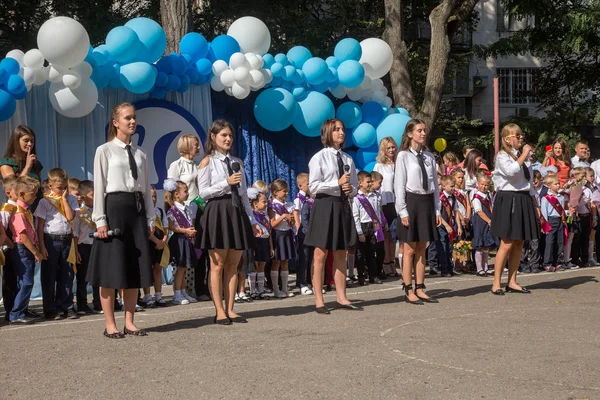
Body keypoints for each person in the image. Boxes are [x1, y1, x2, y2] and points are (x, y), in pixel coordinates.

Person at [86, 102, 155, 338]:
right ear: (115, 122)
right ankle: (109, 324)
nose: (132, 121)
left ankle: (130, 321)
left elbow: (145, 188)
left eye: (134, 117)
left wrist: (150, 217)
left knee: (134, 267)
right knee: (111, 267)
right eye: (127, 118)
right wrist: (100, 219)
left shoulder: (141, 154)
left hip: (136, 210)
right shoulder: (104, 150)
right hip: (114, 207)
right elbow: (99, 186)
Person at [196, 119, 261, 325]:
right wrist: (225, 183)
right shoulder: (207, 161)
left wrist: (252, 220)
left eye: (230, 135)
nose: (228, 139)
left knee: (234, 264)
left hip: (237, 212)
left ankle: (231, 308)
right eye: (223, 135)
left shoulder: (238, 162)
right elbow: (203, 193)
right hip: (217, 211)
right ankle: (219, 310)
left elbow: (243, 194)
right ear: (213, 137)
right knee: (218, 264)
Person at [304, 118, 362, 313]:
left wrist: (349, 188)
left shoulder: (348, 159)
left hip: (342, 205)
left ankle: (341, 297)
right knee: (320, 253)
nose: (341, 132)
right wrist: (335, 183)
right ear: (327, 133)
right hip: (324, 205)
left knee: (341, 252)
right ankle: (319, 300)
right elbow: (313, 187)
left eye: (343, 129)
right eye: (336, 129)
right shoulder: (319, 157)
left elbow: (354, 186)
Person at [394, 119, 441, 304]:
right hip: (411, 202)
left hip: (427, 202)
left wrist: (437, 209)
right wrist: (403, 211)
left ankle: (420, 287)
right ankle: (408, 288)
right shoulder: (403, 156)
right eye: (419, 130)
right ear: (409, 134)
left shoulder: (429, 156)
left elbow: (435, 186)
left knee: (422, 246)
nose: (423, 133)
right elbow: (399, 185)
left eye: (424, 130)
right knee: (409, 248)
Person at [490, 123, 540, 295]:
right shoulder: (502, 156)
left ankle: (512, 280)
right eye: (516, 135)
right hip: (508, 197)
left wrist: (535, 204)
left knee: (519, 241)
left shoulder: (523, 158)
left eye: (521, 135)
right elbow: (511, 172)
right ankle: (496, 282)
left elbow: (529, 182)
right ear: (507, 139)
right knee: (507, 242)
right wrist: (525, 154)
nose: (520, 138)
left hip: (523, 198)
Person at [34, 168, 80, 320]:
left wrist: (65, 199)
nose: (62, 190)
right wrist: (42, 246)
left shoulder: (71, 199)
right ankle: (49, 308)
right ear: (51, 186)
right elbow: (40, 226)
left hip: (67, 239)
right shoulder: (44, 201)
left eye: (65, 187)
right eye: (59, 188)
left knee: (67, 275)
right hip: (50, 241)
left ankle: (66, 306)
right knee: (49, 275)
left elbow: (70, 217)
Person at [167, 134, 202, 298]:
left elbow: (200, 189)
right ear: (187, 146)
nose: (199, 147)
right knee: (182, 255)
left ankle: (193, 288)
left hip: (196, 208)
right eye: (196, 145)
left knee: (195, 249)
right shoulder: (176, 165)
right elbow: (171, 189)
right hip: (182, 211)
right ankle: (180, 290)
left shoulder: (197, 165)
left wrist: (202, 205)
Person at [8, 176, 43, 324]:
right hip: (23, 249)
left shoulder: (25, 210)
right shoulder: (19, 212)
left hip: (27, 248)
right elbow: (22, 236)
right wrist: (36, 252)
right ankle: (16, 314)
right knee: (27, 282)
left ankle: (23, 309)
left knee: (24, 281)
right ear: (22, 194)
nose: (35, 197)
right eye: (33, 194)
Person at [164, 179, 199, 305]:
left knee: (184, 268)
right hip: (179, 240)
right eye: (185, 191)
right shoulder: (172, 210)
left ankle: (183, 291)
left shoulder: (187, 208)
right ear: (177, 194)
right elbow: (171, 227)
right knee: (179, 267)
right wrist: (185, 230)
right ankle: (177, 294)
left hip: (186, 239)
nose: (188, 193)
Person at [72, 180, 101, 314]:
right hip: (84, 247)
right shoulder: (79, 213)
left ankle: (98, 303)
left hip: (97, 245)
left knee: (98, 276)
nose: (95, 197)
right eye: (92, 194)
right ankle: (82, 304)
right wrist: (76, 251)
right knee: (82, 277)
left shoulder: (99, 211)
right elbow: (75, 233)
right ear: (83, 197)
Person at [353, 171, 385, 285]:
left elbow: (377, 212)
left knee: (372, 252)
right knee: (360, 254)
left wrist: (379, 225)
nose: (370, 183)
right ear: (360, 183)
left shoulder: (375, 196)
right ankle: (361, 276)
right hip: (362, 226)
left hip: (373, 226)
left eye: (371, 181)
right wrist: (359, 232)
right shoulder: (357, 198)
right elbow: (355, 216)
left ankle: (373, 275)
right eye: (368, 182)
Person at [0, 126, 44, 210]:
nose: (30, 144)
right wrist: (27, 166)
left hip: (36, 208)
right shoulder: (6, 164)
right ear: (16, 141)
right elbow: (13, 190)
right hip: (17, 210)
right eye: (26, 140)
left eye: (32, 141)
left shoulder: (35, 164)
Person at [373, 137, 398, 277]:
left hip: (397, 202)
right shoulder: (379, 166)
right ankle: (385, 263)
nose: (391, 150)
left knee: (394, 235)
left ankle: (392, 263)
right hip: (385, 202)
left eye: (393, 147)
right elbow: (377, 186)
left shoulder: (399, 163)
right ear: (383, 150)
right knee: (386, 234)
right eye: (388, 148)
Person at [428, 175, 462, 278]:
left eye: (453, 186)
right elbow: (437, 214)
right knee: (442, 247)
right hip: (441, 226)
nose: (453, 188)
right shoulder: (440, 198)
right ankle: (444, 269)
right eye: (451, 186)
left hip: (450, 225)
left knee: (450, 247)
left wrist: (459, 226)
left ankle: (450, 268)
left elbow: (456, 212)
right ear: (443, 186)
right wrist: (446, 225)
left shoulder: (454, 198)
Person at [268, 179, 296, 298]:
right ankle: (276, 289)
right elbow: (272, 224)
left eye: (287, 191)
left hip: (287, 234)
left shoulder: (288, 205)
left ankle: (285, 288)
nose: (286, 193)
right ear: (275, 192)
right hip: (277, 235)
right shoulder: (272, 206)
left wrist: (292, 220)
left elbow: (292, 223)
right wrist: (283, 216)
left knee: (285, 262)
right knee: (276, 262)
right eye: (284, 191)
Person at [141, 185, 169, 307]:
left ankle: (158, 295)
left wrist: (163, 241)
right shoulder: (143, 212)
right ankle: (147, 297)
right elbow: (144, 230)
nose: (153, 199)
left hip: (160, 245)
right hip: (148, 244)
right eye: (150, 196)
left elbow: (166, 228)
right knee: (147, 269)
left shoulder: (160, 211)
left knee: (158, 269)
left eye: (155, 196)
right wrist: (156, 241)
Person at [471, 172, 499, 276]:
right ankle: (479, 268)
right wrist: (489, 220)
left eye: (486, 185)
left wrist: (492, 218)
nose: (484, 187)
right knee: (480, 245)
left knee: (486, 246)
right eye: (482, 184)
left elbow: (490, 207)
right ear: (478, 183)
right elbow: (479, 211)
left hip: (488, 222)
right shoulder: (476, 197)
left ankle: (486, 267)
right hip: (480, 222)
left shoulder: (487, 195)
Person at [247, 187, 272, 300]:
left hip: (265, 242)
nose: (266, 203)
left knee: (262, 266)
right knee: (255, 266)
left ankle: (261, 290)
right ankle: (253, 291)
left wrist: (271, 247)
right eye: (264, 201)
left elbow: (269, 232)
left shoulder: (265, 215)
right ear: (255, 204)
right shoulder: (252, 216)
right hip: (256, 242)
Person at [540, 175, 567, 272]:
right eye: (555, 184)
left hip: (559, 220)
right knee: (550, 242)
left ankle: (557, 262)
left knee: (559, 241)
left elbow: (562, 210)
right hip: (550, 221)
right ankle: (547, 263)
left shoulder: (561, 197)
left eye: (558, 183)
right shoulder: (546, 198)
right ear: (549, 186)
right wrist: (545, 226)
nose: (558, 185)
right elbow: (544, 213)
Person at [1, 176, 18, 321]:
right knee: (9, 280)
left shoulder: (21, 207)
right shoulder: (7, 209)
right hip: (9, 248)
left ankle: (20, 307)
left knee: (18, 279)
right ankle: (9, 310)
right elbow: (3, 230)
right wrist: (9, 244)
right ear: (8, 193)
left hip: (19, 247)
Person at [293, 173, 313, 295]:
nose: (310, 186)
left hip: (309, 231)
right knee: (303, 258)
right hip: (302, 232)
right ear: (300, 186)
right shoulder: (298, 199)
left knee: (310, 258)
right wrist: (299, 228)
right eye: (308, 184)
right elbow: (296, 213)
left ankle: (309, 281)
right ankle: (302, 283)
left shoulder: (309, 198)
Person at [450, 168, 472, 272]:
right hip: (457, 219)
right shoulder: (453, 192)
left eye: (462, 177)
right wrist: (462, 218)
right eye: (458, 177)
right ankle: (456, 263)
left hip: (465, 219)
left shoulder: (464, 191)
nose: (461, 179)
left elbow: (468, 204)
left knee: (465, 241)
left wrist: (467, 217)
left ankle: (464, 262)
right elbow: (455, 208)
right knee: (457, 242)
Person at [369, 170, 388, 280]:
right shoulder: (363, 197)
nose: (381, 185)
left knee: (381, 250)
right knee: (371, 250)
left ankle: (379, 268)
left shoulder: (378, 196)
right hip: (369, 225)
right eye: (379, 183)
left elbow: (380, 210)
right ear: (372, 182)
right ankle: (372, 272)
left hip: (378, 226)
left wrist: (384, 222)